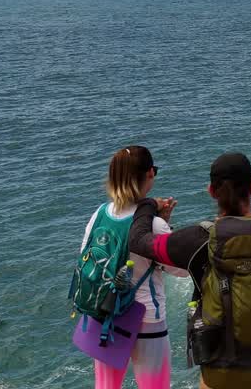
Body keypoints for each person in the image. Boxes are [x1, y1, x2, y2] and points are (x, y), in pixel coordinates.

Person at [127, 152, 251, 389]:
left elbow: (138, 241)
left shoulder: (196, 241)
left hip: (221, 380)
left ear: (211, 191)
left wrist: (148, 205)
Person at [80, 145, 188, 389]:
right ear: (150, 173)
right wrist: (167, 229)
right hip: (146, 319)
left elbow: (86, 258)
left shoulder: (98, 215)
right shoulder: (155, 225)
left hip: (104, 315)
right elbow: (180, 270)